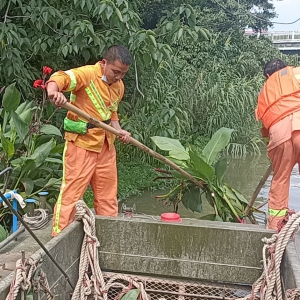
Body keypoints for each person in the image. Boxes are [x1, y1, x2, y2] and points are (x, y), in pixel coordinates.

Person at [46, 45, 132, 237]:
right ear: (104, 63)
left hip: (106, 146)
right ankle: (58, 238)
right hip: (81, 145)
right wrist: (54, 92)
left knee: (108, 197)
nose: (118, 77)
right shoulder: (87, 74)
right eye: (115, 72)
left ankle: (108, 238)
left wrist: (119, 132)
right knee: (72, 195)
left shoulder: (119, 86)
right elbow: (60, 79)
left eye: (123, 74)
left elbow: (113, 114)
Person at [255, 58, 300, 230]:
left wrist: (275, 160)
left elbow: (266, 132)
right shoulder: (296, 73)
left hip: (279, 137)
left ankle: (275, 229)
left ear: (267, 75)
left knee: (280, 181)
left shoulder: (264, 93)